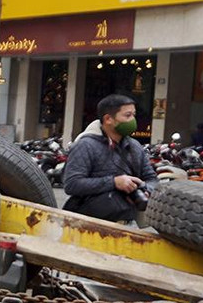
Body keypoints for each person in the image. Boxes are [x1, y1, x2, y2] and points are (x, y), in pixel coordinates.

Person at [62, 93, 158, 223]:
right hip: (89, 223)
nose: (133, 120)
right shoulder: (85, 145)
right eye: (127, 115)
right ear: (108, 119)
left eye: (134, 115)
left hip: (127, 222)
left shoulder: (135, 146)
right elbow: (72, 184)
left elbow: (152, 179)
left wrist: (145, 188)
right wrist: (114, 182)